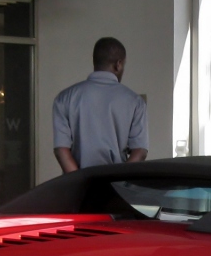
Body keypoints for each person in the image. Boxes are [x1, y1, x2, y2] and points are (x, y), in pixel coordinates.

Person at [53, 37, 148, 172]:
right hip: (116, 186)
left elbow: (61, 149)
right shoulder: (135, 101)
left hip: (78, 186)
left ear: (95, 61)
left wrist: (79, 181)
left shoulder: (65, 98)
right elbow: (140, 151)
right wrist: (119, 179)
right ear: (118, 64)